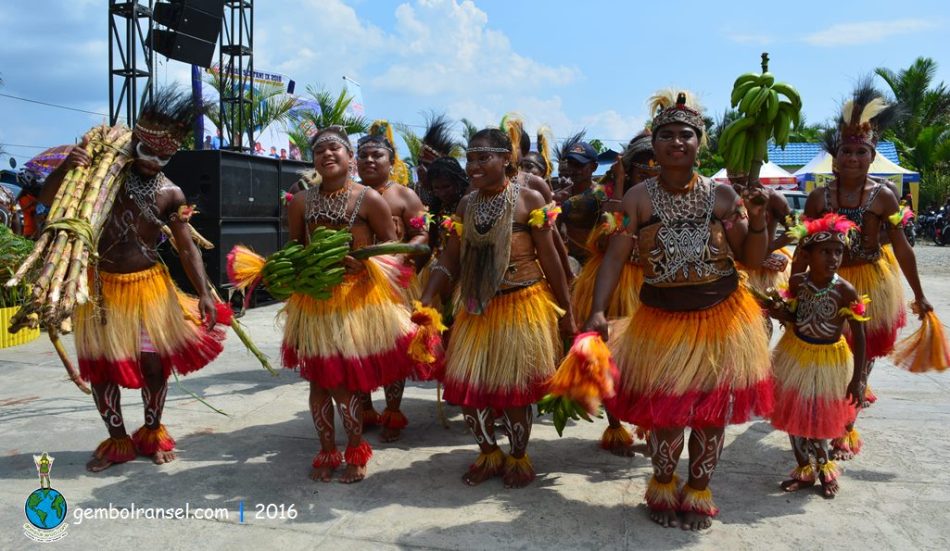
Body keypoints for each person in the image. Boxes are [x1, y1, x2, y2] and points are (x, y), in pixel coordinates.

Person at [585, 90, 772, 530]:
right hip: (660, 322)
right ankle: (664, 487)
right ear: (654, 144)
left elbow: (751, 258)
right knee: (667, 416)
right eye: (666, 135)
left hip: (722, 320)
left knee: (710, 416)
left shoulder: (723, 197)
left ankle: (699, 492)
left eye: (685, 135)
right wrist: (597, 309)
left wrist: (759, 220)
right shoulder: (637, 199)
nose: (676, 142)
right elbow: (615, 257)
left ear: (699, 142)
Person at [37, 87, 227, 472]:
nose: (153, 162)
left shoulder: (172, 193)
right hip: (101, 287)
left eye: (163, 157)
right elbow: (47, 198)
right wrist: (67, 167)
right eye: (147, 152)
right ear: (134, 140)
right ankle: (118, 439)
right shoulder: (98, 176)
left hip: (149, 289)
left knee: (154, 366)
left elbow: (186, 247)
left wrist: (205, 292)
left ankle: (153, 432)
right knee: (103, 368)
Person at [420, 128, 575, 488]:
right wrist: (426, 298)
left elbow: (550, 259)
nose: (473, 165)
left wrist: (568, 311)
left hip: (523, 304)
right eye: (470, 158)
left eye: (483, 157)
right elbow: (450, 258)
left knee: (514, 392)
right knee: (470, 390)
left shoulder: (529, 199)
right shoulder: (466, 204)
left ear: (506, 159)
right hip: (476, 306)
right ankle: (488, 453)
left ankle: (518, 458)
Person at [795, 81, 933, 460]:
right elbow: (804, 248)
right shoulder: (819, 198)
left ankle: (845, 426)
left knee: (861, 356)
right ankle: (826, 417)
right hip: (827, 282)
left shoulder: (883, 195)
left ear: (872, 156)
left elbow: (901, 246)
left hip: (871, 283)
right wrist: (794, 289)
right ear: (835, 157)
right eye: (846, 151)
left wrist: (919, 294)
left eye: (861, 152)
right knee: (830, 353)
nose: (853, 158)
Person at [284, 126, 420, 483]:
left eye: (335, 149)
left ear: (350, 159)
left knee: (344, 383)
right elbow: (294, 246)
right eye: (319, 151)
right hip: (315, 301)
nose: (327, 155)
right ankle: (327, 450)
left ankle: (356, 450)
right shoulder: (301, 201)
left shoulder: (369, 199)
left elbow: (391, 249)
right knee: (318, 383)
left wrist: (365, 263)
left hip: (357, 301)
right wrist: (296, 271)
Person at [768, 213, 867, 499]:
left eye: (838, 252)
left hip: (830, 360)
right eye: (825, 252)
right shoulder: (798, 283)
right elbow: (796, 317)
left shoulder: (845, 290)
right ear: (807, 255)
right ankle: (804, 469)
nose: (833, 258)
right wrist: (779, 311)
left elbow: (860, 336)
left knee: (818, 415)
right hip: (796, 354)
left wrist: (858, 379)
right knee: (794, 411)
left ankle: (825, 469)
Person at [571, 129, 657, 456]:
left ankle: (651, 425)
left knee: (649, 362)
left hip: (650, 285)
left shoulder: (670, 198)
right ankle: (616, 426)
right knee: (611, 360)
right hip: (613, 284)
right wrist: (619, 186)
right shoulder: (603, 197)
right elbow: (606, 241)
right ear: (629, 171)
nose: (650, 179)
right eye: (642, 173)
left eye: (655, 172)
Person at [355, 130, 430, 442]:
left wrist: (402, 254)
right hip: (355, 283)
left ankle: (393, 411)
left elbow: (422, 234)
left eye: (377, 155)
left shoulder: (404, 196)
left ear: (391, 161)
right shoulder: (348, 193)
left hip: (395, 284)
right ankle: (364, 409)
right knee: (357, 347)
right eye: (363, 155)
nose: (370, 160)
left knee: (392, 350)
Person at [555, 140, 602, 266]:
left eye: (579, 165)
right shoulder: (561, 197)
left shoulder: (604, 196)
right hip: (572, 260)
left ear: (594, 167)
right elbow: (554, 233)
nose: (573, 169)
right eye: (571, 164)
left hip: (599, 262)